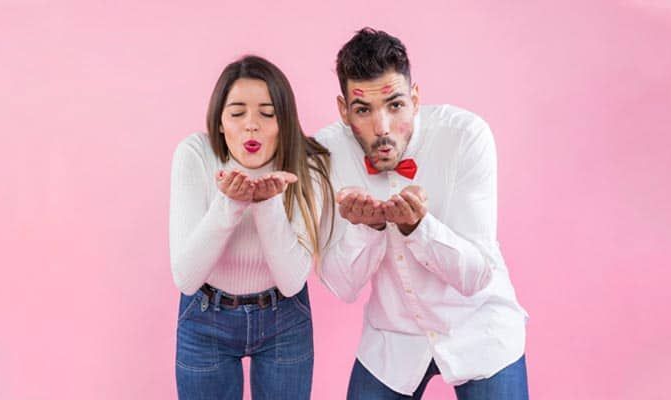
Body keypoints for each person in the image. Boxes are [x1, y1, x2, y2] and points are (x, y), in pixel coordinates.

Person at [315, 28, 530, 399]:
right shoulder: (326, 154)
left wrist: (419, 228)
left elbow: (477, 275)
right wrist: (367, 229)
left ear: (415, 99)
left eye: (395, 105)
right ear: (343, 110)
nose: (381, 129)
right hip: (391, 340)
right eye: (363, 110)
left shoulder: (465, 136)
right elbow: (340, 286)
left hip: (478, 328)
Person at [169, 55, 333, 400]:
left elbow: (291, 282)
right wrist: (229, 203)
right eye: (237, 113)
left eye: (267, 114)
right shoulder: (195, 155)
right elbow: (186, 277)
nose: (251, 126)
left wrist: (266, 203)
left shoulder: (308, 165)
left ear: (284, 122)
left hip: (284, 319)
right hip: (205, 317)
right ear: (219, 122)